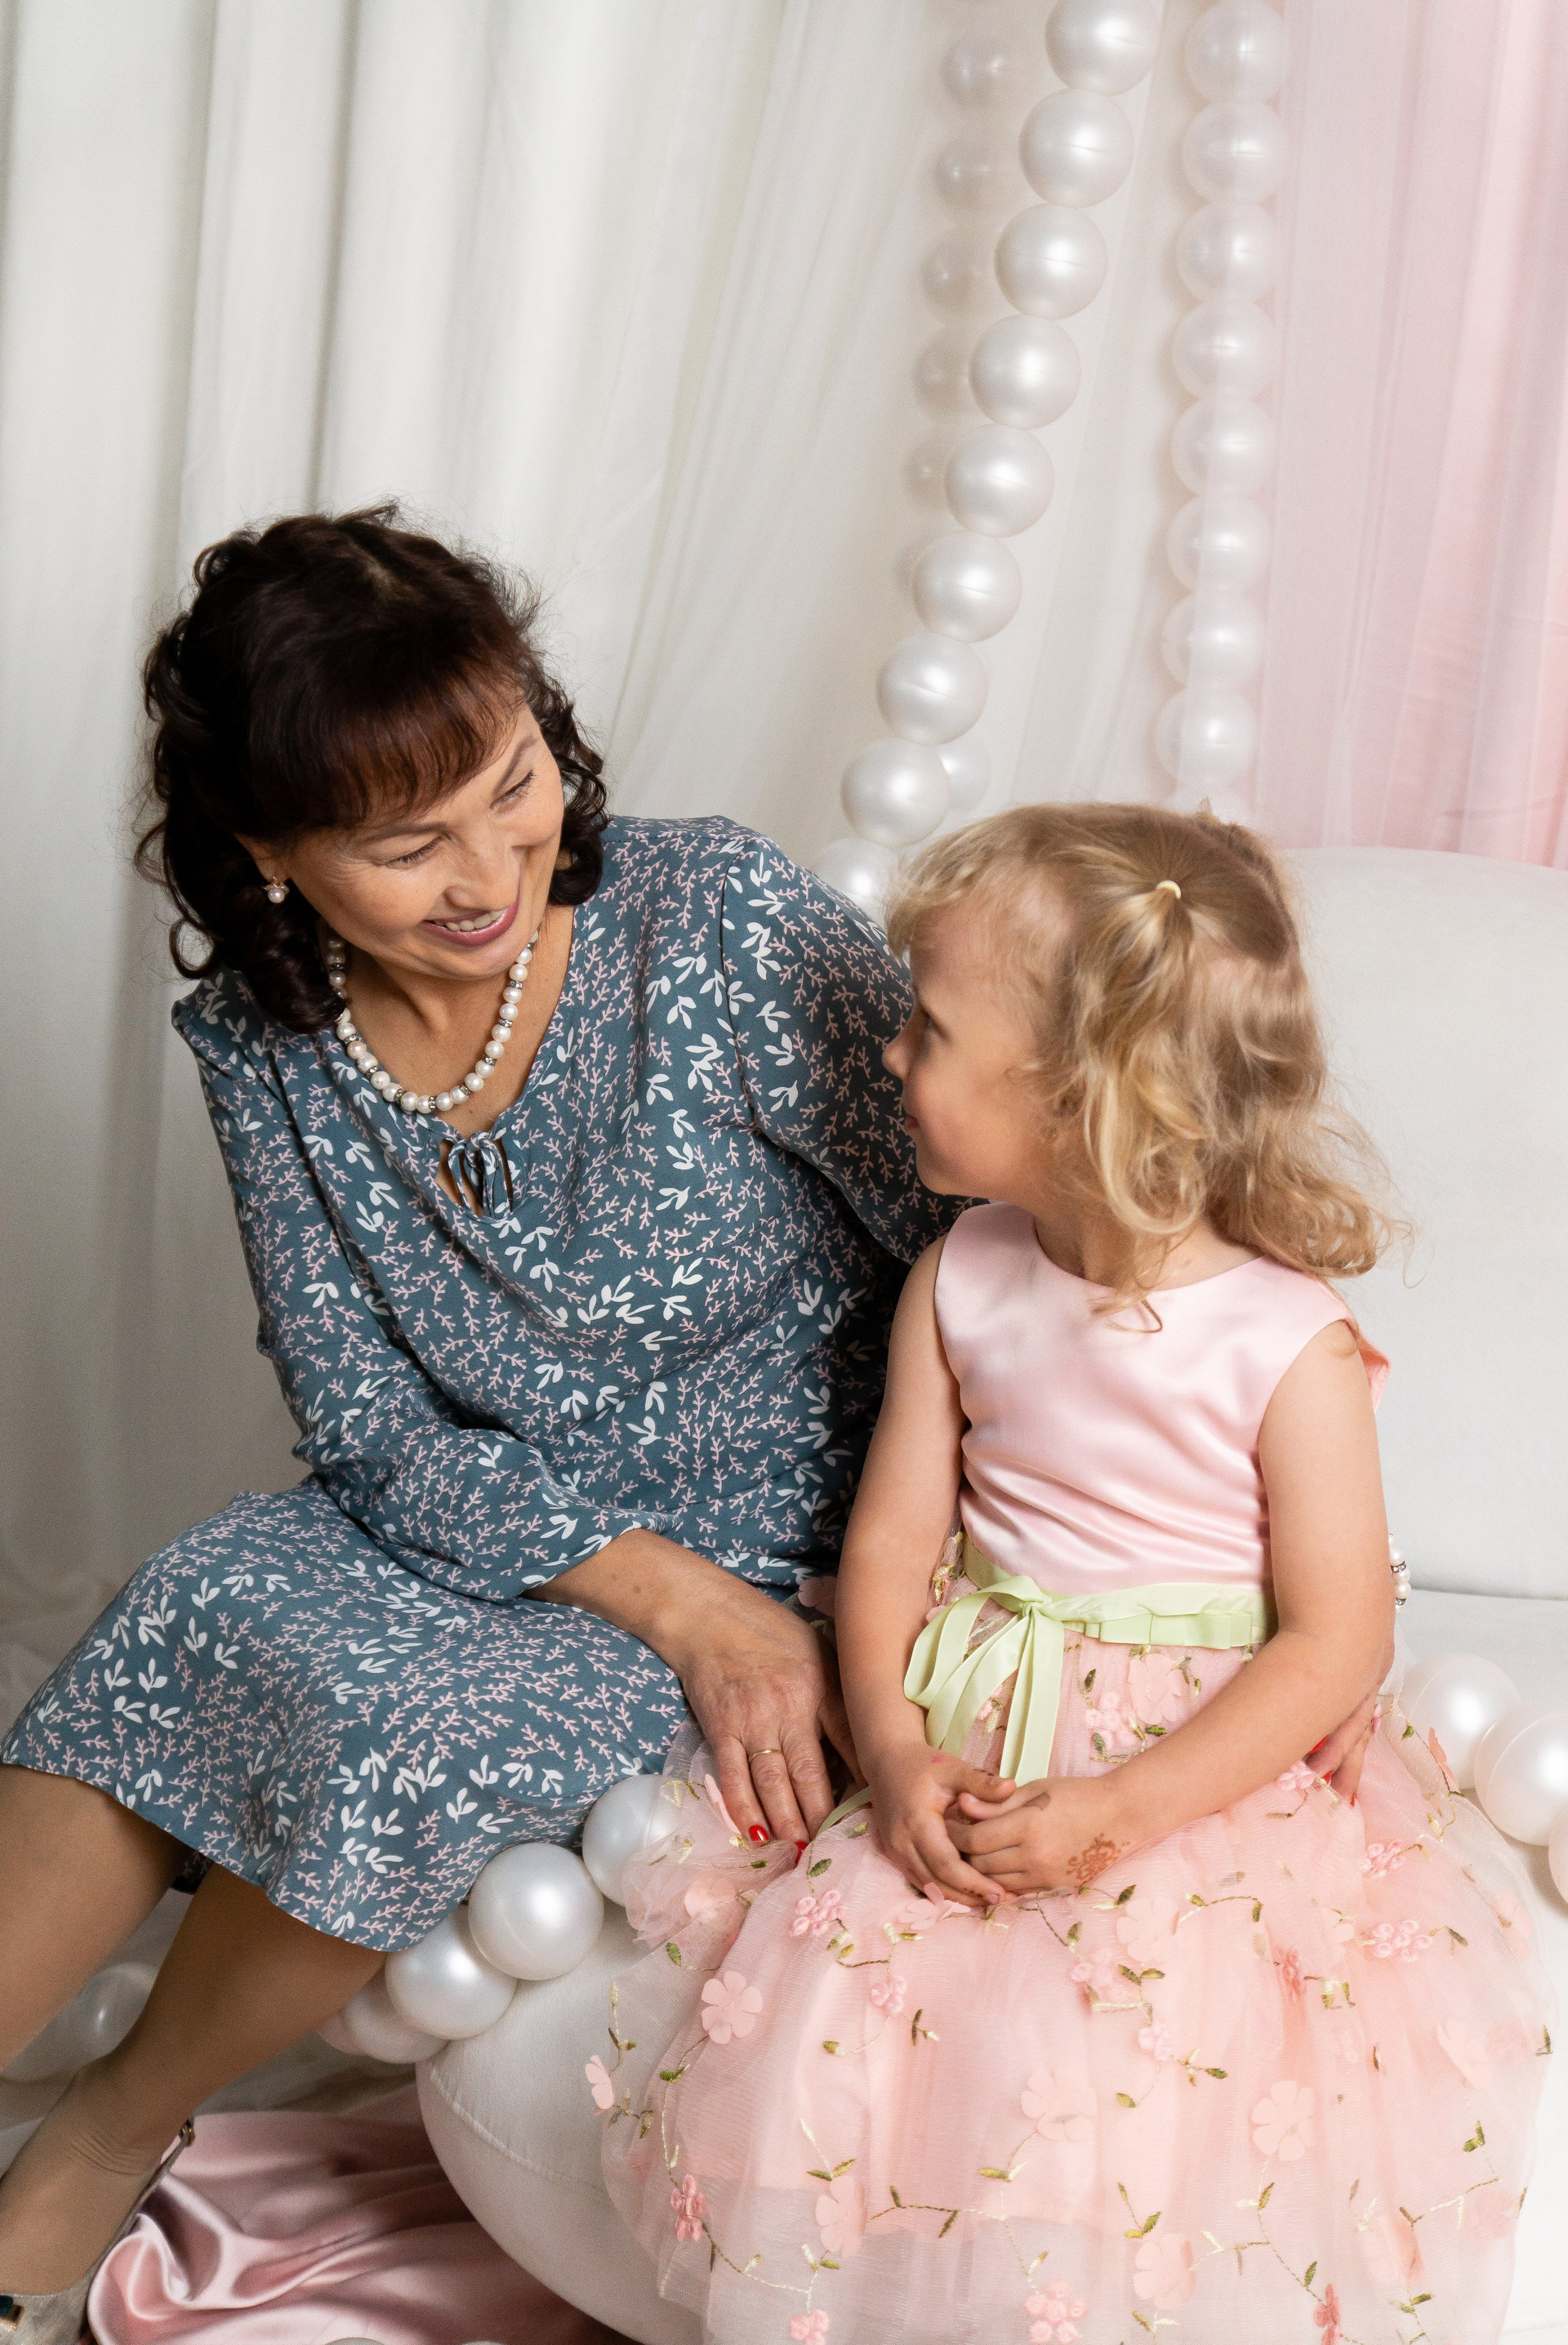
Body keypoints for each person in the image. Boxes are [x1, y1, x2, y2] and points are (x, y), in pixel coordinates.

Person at [0, 505, 957, 2325]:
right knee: (193, 1604)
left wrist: (865, 1593)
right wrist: (672, 1599)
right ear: (268, 855)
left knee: (404, 1738)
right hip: (469, 1511)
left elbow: (979, 1256)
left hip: (800, 1534)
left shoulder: (716, 920)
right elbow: (364, 1420)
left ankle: (104, 2134)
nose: (484, 870)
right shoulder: (266, 1045)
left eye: (513, 783)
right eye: (401, 843)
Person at [595, 805, 1550, 2345]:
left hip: (1187, 1765)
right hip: (977, 1711)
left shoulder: (1282, 1339)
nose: (890, 1051)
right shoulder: (961, 1274)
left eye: (929, 1026)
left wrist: (1121, 1810)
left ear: (1077, 1089)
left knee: (1139, 2061)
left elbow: (1334, 1639)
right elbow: (891, 1545)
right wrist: (896, 1749)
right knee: (893, 2018)